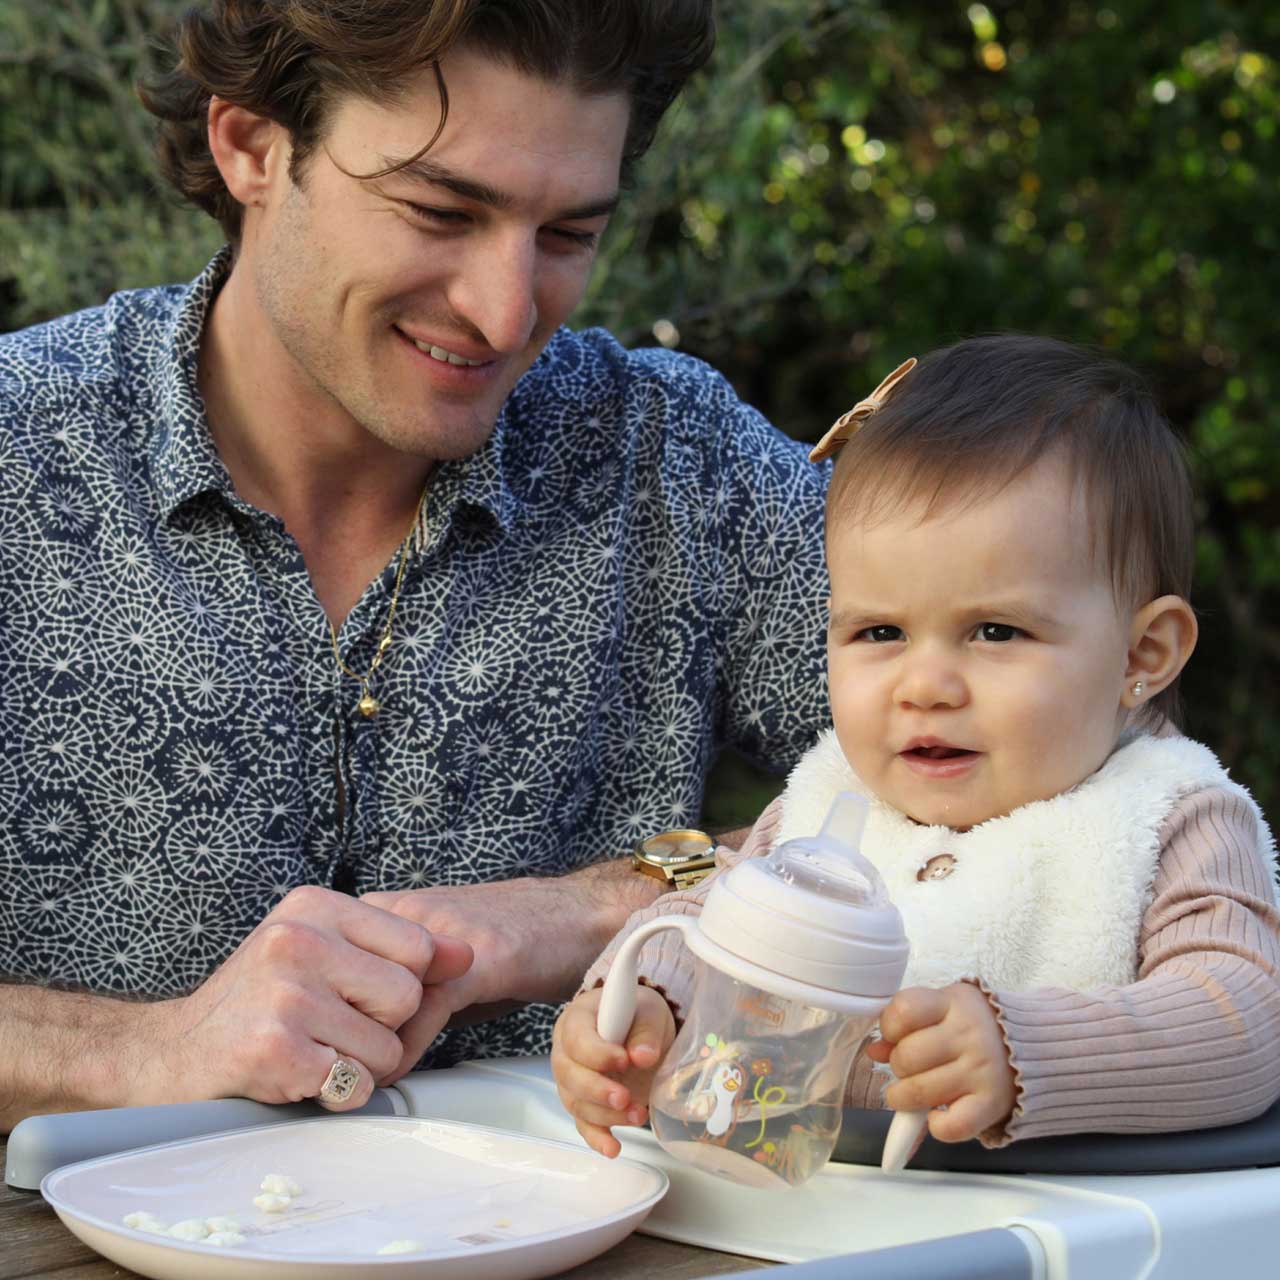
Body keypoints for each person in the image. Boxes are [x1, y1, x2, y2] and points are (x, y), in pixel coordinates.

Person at [0, 1, 834, 1130]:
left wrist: (605, 906)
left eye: (566, 235)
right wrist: (143, 1049)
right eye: (440, 211)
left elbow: (1037, 806)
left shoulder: (678, 459)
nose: (504, 312)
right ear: (251, 147)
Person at [552, 335, 1280, 1159]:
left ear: (1142, 654)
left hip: (1054, 1214)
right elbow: (700, 922)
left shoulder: (1171, 820)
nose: (925, 685)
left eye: (995, 631)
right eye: (880, 632)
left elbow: (1244, 1017)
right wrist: (640, 1004)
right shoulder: (826, 809)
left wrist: (1024, 1050)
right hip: (796, 1206)